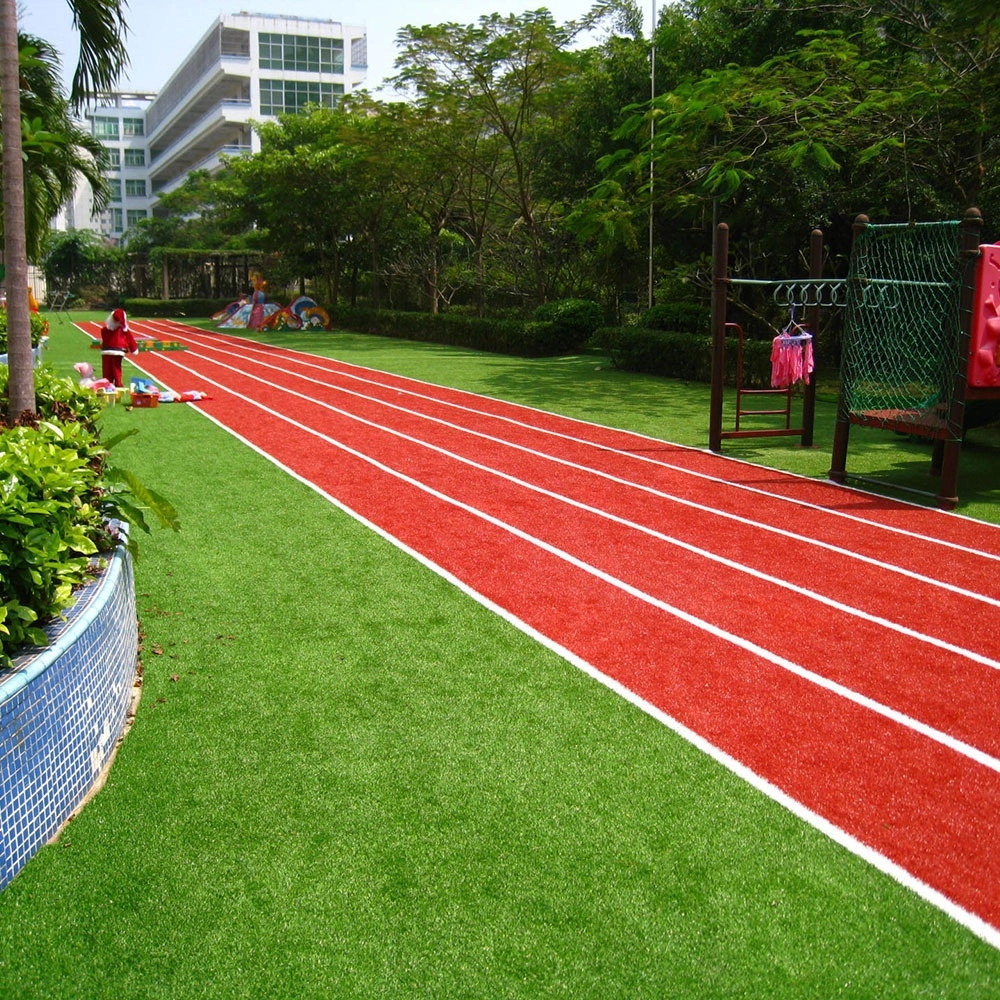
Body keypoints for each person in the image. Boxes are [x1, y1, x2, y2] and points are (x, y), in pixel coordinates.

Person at [99, 308, 138, 387]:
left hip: (106, 351)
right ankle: (118, 384)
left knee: (106, 369)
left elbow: (103, 333)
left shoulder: (105, 330)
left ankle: (106, 384)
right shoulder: (123, 331)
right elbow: (130, 340)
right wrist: (134, 349)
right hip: (118, 351)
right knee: (116, 369)